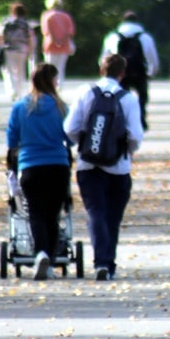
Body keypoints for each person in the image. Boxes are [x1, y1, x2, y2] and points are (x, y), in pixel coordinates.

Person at [64, 54, 144, 280]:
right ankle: (109, 263)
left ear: (101, 70)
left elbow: (70, 128)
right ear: (123, 73)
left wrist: (87, 142)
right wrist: (125, 149)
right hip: (118, 168)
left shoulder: (84, 92)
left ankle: (101, 262)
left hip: (88, 165)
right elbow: (136, 136)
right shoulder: (128, 99)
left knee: (96, 213)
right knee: (113, 218)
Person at [6, 63, 71, 281]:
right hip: (58, 166)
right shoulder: (61, 107)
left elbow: (12, 140)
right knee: (52, 215)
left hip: (30, 166)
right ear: (52, 81)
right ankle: (50, 261)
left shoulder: (20, 107)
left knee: (35, 212)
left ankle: (40, 252)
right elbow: (71, 137)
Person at [100, 11, 159, 130]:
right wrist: (151, 72)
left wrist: (106, 74)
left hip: (119, 72)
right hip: (139, 71)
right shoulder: (145, 37)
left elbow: (104, 58)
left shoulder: (113, 36)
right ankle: (141, 117)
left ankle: (121, 119)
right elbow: (153, 58)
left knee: (121, 96)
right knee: (142, 95)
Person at [0, 2, 37, 101]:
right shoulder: (25, 24)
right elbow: (30, 37)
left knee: (9, 71)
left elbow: (1, 35)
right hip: (22, 50)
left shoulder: (7, 22)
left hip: (9, 49)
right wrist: (31, 50)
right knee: (20, 72)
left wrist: (1, 45)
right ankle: (19, 92)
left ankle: (12, 90)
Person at [40, 0, 76, 88]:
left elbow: (46, 31)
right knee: (61, 67)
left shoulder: (47, 16)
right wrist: (62, 40)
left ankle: (49, 85)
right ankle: (59, 86)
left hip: (50, 45)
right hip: (64, 45)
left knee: (49, 67)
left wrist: (55, 40)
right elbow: (70, 32)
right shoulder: (66, 17)